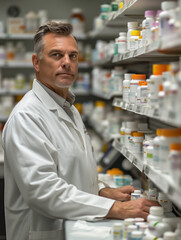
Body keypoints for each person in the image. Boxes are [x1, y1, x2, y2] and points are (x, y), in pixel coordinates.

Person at [2, 21, 159, 240]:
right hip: (42, 233)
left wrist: (101, 191)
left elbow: (70, 171)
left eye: (73, 56)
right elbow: (43, 191)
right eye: (56, 55)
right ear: (36, 62)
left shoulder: (69, 108)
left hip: (74, 226)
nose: (66, 62)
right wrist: (115, 208)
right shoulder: (27, 117)